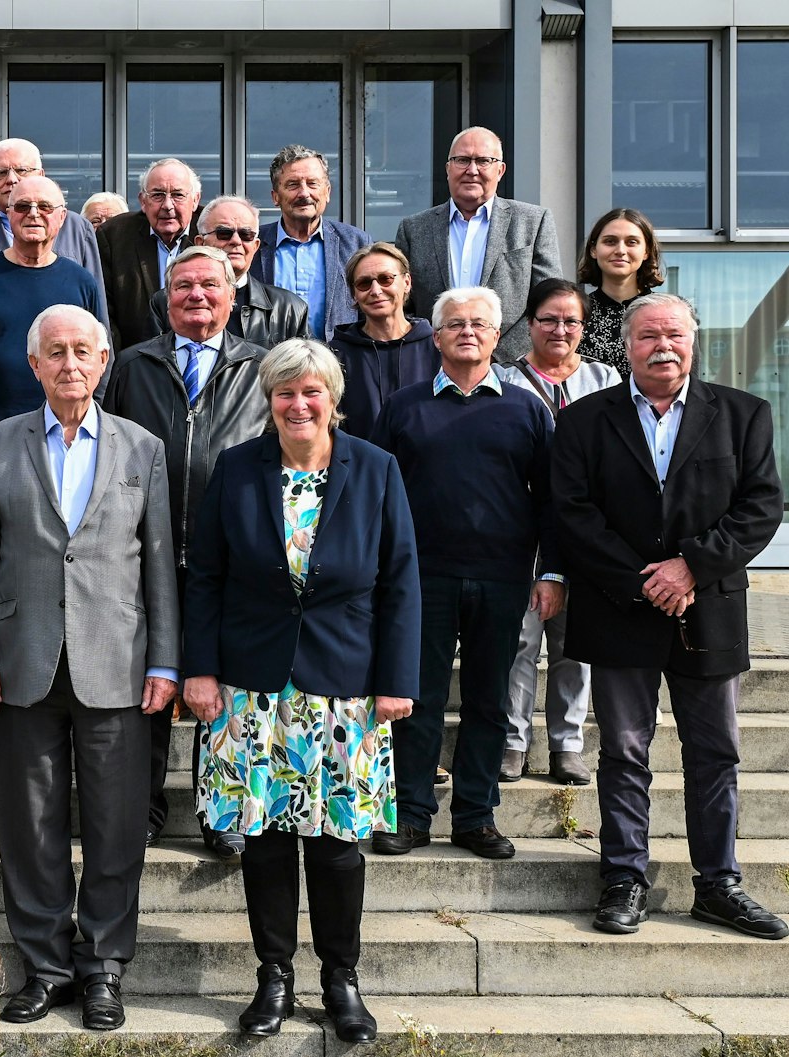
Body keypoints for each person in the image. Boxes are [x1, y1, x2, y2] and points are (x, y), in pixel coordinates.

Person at [182, 338, 419, 1046]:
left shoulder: (376, 469)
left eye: (310, 391)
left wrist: (396, 681)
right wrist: (198, 668)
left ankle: (341, 978)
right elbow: (206, 576)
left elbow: (401, 579)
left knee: (339, 842)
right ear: (269, 399)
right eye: (285, 392)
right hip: (250, 688)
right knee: (263, 838)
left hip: (344, 687)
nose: (298, 403)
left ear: (332, 399)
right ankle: (273, 976)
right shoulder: (235, 468)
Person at [0, 304, 179, 1032]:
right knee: (29, 823)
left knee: (117, 823)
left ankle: (104, 965)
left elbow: (159, 568)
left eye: (83, 350)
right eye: (55, 351)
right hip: (24, 662)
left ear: (105, 358)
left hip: (117, 661)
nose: (69, 363)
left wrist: (166, 661)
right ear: (33, 365)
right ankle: (46, 965)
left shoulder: (142, 447)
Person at [553, 293, 789, 941]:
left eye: (675, 334)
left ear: (695, 341)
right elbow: (571, 514)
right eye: (649, 334)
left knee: (715, 752)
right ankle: (624, 877)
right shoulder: (582, 421)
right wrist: (642, 581)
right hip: (617, 608)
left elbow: (761, 507)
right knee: (624, 750)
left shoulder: (744, 415)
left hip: (707, 610)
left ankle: (718, 883)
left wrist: (691, 567)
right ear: (625, 345)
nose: (664, 345)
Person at [370, 287, 560, 862]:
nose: (467, 332)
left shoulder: (527, 408)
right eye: (455, 324)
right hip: (421, 579)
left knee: (488, 700)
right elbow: (376, 495)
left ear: (498, 336)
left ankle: (476, 817)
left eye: (479, 324)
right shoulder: (404, 406)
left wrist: (550, 573)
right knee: (417, 698)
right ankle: (410, 814)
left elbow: (552, 499)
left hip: (504, 580)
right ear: (436, 335)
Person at [103, 245, 269, 859]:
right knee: (144, 682)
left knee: (220, 685)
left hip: (230, 551)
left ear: (232, 295)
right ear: (164, 299)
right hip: (141, 546)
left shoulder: (261, 367)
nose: (197, 296)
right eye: (184, 287)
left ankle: (220, 807)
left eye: (210, 286)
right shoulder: (131, 366)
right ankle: (140, 808)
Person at [494, 279, 620, 786]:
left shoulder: (605, 377)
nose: (560, 329)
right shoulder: (506, 379)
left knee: (574, 644)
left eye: (571, 320)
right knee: (520, 642)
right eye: (549, 319)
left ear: (583, 327)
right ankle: (512, 742)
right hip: (522, 528)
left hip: (585, 530)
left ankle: (568, 745)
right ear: (530, 324)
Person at [0, 176, 107, 441]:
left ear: (62, 217)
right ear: (9, 214)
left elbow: (102, 354)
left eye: (44, 206)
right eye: (23, 206)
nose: (33, 214)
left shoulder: (81, 281)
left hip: (66, 432)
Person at [394, 127, 561, 358]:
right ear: (448, 168)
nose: (472, 170)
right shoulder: (413, 228)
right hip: (432, 364)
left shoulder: (533, 222)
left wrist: (498, 355)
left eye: (484, 161)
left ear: (500, 170)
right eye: (462, 160)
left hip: (510, 367)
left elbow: (548, 301)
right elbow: (403, 306)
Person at [0, 138, 105, 289]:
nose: (12, 180)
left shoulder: (78, 228)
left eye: (22, 170)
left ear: (41, 175)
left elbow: (94, 296)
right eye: (1, 173)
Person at [250, 146, 372, 339]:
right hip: (269, 363)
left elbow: (368, 312)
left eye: (312, 184)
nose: (304, 193)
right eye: (293, 185)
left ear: (327, 192)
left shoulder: (356, 243)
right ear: (275, 197)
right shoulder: (252, 244)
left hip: (338, 364)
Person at [328, 243, 437, 440]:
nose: (376, 290)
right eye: (364, 283)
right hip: (360, 467)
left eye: (385, 279)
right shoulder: (335, 355)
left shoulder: (438, 348)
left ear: (407, 282)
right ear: (354, 293)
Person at [98, 157, 202, 350]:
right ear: (143, 201)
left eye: (178, 195)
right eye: (157, 195)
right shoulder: (114, 235)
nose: (167, 205)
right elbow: (105, 313)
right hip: (136, 358)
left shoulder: (210, 231)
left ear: (195, 200)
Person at [194, 195, 310, 348]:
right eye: (224, 233)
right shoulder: (168, 303)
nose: (236, 241)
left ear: (255, 246)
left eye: (246, 235)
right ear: (200, 243)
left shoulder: (289, 309)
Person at [575, 207, 664, 374]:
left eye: (632, 242)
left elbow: (687, 378)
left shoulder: (669, 313)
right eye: (610, 241)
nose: (620, 250)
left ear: (646, 251)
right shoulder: (576, 313)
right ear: (594, 250)